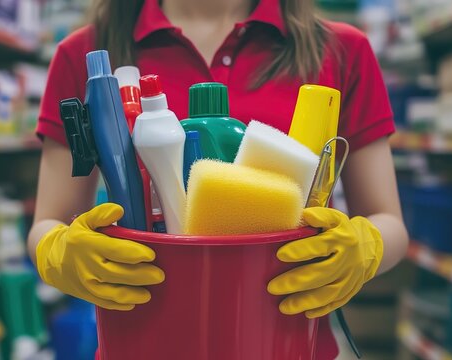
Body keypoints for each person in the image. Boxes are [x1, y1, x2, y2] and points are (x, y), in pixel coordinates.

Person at [28, 0, 409, 358]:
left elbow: (388, 220)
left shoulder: (340, 49)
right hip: (143, 342)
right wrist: (58, 251)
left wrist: (365, 247)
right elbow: (48, 221)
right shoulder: (84, 51)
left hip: (283, 343)